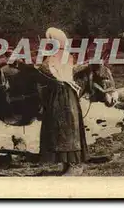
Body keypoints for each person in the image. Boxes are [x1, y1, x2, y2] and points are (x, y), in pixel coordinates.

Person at [37, 27, 88, 176]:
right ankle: (69, 164)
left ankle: (74, 165)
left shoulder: (54, 57)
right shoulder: (66, 56)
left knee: (65, 128)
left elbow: (47, 71)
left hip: (62, 97)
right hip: (65, 96)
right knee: (65, 127)